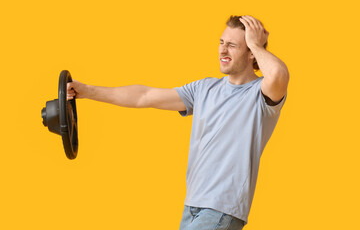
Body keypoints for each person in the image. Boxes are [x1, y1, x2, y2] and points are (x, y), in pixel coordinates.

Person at [67, 15, 289, 230]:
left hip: (222, 208)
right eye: (221, 42)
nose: (222, 50)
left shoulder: (259, 95)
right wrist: (87, 91)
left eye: (232, 45)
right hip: (193, 205)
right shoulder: (204, 89)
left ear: (251, 52)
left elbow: (279, 73)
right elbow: (144, 96)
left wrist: (256, 44)